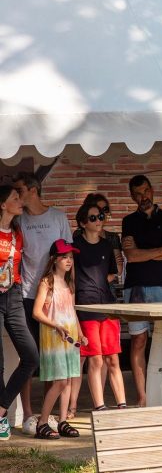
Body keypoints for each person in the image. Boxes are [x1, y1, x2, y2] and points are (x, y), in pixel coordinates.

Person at [12, 172, 70, 434]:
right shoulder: (19, 220)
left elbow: (68, 255)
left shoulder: (58, 217)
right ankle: (27, 414)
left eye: (20, 190)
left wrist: (68, 292)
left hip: (54, 296)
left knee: (51, 357)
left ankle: (48, 414)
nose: (17, 195)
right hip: (26, 294)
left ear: (33, 190)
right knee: (30, 356)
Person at [122, 175, 162, 407]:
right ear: (131, 196)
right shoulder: (128, 221)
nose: (142, 197)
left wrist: (146, 252)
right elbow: (131, 257)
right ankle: (143, 396)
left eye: (145, 191)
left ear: (152, 190)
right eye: (137, 194)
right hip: (135, 287)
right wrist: (160, 250)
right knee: (138, 341)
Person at [72, 203, 126, 413]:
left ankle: (122, 404)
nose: (98, 220)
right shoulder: (75, 246)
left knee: (113, 357)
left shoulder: (106, 246)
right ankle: (100, 406)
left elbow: (112, 273)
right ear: (83, 223)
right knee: (94, 358)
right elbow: (70, 278)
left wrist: (99, 284)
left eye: (101, 216)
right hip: (86, 307)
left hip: (107, 305)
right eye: (93, 218)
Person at [30, 239, 84, 439]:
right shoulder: (47, 281)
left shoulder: (69, 283)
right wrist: (56, 325)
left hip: (69, 338)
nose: (69, 261)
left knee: (69, 379)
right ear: (54, 259)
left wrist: (80, 332)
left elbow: (72, 311)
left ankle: (63, 421)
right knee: (60, 381)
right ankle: (42, 423)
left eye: (71, 257)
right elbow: (37, 312)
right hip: (54, 337)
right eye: (64, 257)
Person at [0, 185, 39, 441]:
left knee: (31, 357)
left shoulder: (17, 233)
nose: (19, 201)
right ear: (3, 204)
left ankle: (0, 409)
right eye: (15, 198)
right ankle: (2, 420)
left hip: (13, 295)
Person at [74, 193, 124, 279]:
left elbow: (118, 270)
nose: (102, 213)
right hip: (85, 287)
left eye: (105, 209)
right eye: (98, 210)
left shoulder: (113, 237)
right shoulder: (78, 235)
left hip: (108, 287)